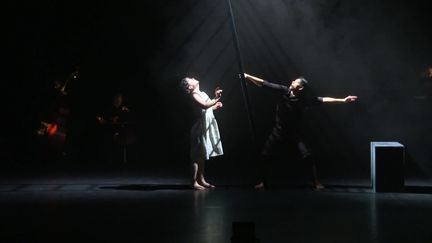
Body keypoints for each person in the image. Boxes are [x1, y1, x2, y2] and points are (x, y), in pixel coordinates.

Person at [243, 73, 358, 190]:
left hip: (293, 134)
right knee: (265, 156)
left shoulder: (303, 100)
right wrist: (247, 76)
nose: (292, 82)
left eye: (295, 82)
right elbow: (264, 83)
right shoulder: (283, 91)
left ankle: (316, 182)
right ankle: (264, 182)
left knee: (307, 156)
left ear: (301, 88)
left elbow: (324, 100)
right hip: (277, 132)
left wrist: (343, 100)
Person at [181, 77, 224, 190]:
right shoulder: (194, 95)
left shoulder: (202, 93)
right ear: (189, 86)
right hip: (199, 128)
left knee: (202, 156)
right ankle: (194, 182)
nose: (193, 78)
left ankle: (201, 180)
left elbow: (207, 108)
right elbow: (204, 106)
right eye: (190, 79)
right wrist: (216, 97)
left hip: (205, 127)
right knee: (196, 156)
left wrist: (215, 106)